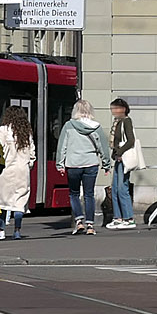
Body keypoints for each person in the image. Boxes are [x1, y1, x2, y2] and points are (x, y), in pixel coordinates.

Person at [56, 99, 108, 235]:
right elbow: (103, 147)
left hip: (73, 164)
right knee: (89, 194)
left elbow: (62, 147)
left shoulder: (68, 126)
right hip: (91, 163)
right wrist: (106, 164)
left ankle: (79, 222)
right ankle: (90, 225)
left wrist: (60, 164)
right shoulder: (97, 127)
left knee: (74, 194)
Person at [0, 106, 36, 240]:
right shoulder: (26, 132)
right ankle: (17, 231)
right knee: (19, 202)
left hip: (5, 170)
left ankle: (1, 229)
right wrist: (29, 165)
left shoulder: (2, 131)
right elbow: (32, 153)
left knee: (2, 202)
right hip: (22, 171)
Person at [106, 98, 138, 230]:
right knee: (115, 188)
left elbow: (131, 140)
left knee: (122, 188)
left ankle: (128, 218)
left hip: (123, 159)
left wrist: (119, 152)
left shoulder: (126, 121)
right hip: (118, 158)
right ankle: (118, 217)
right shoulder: (117, 122)